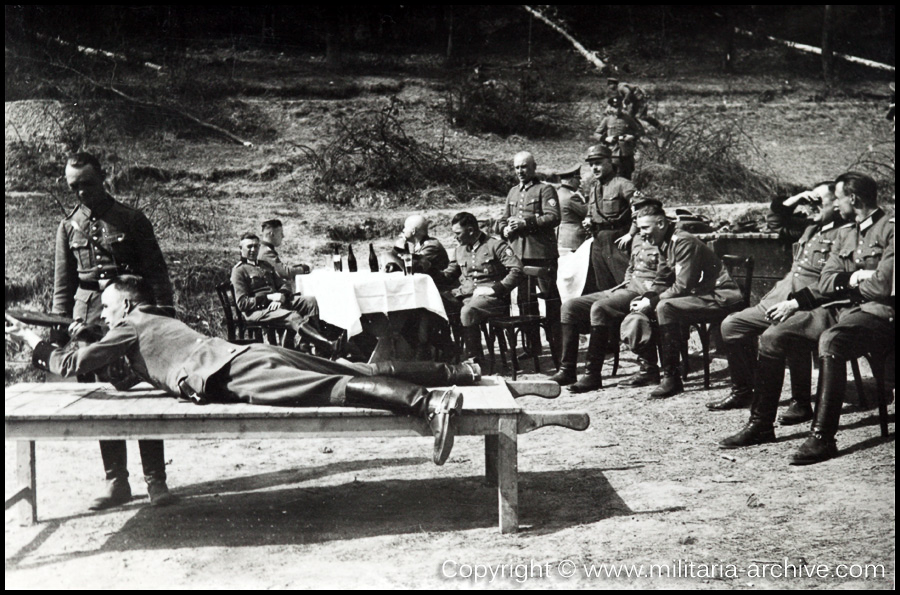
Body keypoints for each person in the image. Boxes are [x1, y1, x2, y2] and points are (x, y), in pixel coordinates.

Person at [6, 276, 482, 476]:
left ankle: (429, 403)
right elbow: (124, 378)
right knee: (350, 368)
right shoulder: (153, 321)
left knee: (330, 388)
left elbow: (72, 367)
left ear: (125, 305)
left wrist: (35, 343)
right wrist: (87, 334)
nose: (105, 316)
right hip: (244, 354)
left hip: (230, 372)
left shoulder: (129, 325)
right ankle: (458, 373)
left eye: (107, 308)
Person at [719, 172, 894, 464]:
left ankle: (822, 438)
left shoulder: (889, 230)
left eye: (838, 198)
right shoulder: (847, 233)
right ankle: (761, 425)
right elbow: (825, 283)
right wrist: (856, 276)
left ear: (852, 198)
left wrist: (849, 280)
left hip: (877, 312)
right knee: (772, 337)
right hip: (839, 308)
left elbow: (881, 287)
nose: (837, 205)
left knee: (831, 341)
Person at [52, 151, 175, 510]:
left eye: (87, 184)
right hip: (89, 319)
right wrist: (60, 333)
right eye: (74, 186)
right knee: (101, 399)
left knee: (145, 392)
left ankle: (156, 480)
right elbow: (64, 284)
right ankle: (116, 481)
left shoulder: (131, 219)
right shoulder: (68, 227)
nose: (81, 193)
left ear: (102, 178)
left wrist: (164, 315)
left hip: (131, 315)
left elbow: (156, 271)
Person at [708, 182, 851, 416]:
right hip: (780, 297)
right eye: (809, 201)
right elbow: (775, 221)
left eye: (818, 201)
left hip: (813, 303)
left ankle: (800, 401)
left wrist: (798, 303)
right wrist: (795, 199)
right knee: (732, 325)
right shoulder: (810, 227)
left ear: (837, 204)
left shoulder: (846, 233)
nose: (811, 206)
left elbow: (834, 282)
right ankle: (744, 390)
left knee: (789, 331)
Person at [550, 194, 666, 392]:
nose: (636, 215)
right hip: (627, 287)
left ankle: (592, 375)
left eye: (640, 211)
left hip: (644, 292)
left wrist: (646, 293)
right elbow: (632, 266)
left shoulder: (663, 238)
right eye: (635, 212)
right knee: (570, 307)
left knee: (600, 308)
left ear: (655, 214)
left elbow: (665, 276)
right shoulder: (639, 236)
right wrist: (627, 280)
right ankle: (567, 368)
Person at [626, 203, 744, 398]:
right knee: (659, 305)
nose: (642, 234)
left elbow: (682, 286)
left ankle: (672, 379)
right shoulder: (665, 243)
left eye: (645, 228)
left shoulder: (682, 242)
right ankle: (665, 373)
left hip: (720, 296)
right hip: (701, 296)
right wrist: (647, 297)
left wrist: (652, 303)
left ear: (661, 223)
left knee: (665, 307)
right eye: (639, 229)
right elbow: (662, 279)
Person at [497, 152, 562, 357]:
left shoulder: (545, 189)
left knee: (550, 299)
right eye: (517, 167)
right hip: (518, 254)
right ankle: (532, 346)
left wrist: (527, 223)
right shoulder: (513, 192)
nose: (520, 171)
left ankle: (557, 345)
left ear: (534, 167)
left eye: (524, 167)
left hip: (541, 253)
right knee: (525, 301)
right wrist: (503, 230)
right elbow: (503, 219)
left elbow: (553, 217)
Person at [231, 233, 336, 356]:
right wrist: (269, 298)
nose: (253, 250)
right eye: (249, 247)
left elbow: (284, 285)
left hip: (277, 304)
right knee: (293, 316)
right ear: (240, 248)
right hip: (258, 311)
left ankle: (311, 346)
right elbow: (242, 303)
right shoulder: (238, 271)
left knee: (310, 302)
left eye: (256, 246)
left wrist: (280, 297)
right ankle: (328, 345)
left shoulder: (265, 265)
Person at [439, 212, 523, 364]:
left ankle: (475, 359)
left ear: (471, 230)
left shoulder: (495, 246)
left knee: (467, 311)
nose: (455, 237)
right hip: (465, 296)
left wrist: (496, 289)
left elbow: (517, 270)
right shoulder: (460, 249)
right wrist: (425, 268)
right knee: (434, 305)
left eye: (458, 233)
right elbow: (449, 274)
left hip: (492, 300)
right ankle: (446, 353)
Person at [390, 215, 456, 360]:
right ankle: (415, 348)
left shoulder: (431, 246)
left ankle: (427, 348)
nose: (402, 230)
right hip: (426, 291)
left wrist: (396, 250)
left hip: (442, 293)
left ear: (413, 231)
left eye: (405, 228)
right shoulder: (416, 245)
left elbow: (414, 267)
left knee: (413, 310)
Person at [583, 145, 636, 293]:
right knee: (603, 284)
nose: (594, 168)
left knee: (623, 281)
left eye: (598, 163)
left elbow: (641, 210)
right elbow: (590, 210)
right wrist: (588, 219)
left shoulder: (623, 184)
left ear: (609, 162)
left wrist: (631, 234)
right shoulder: (593, 187)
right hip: (598, 240)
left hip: (617, 239)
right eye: (591, 164)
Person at [594, 98, 645, 180]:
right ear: (610, 108)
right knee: (612, 177)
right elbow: (596, 134)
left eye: (619, 107)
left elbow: (640, 131)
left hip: (626, 153)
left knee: (627, 176)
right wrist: (606, 139)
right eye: (614, 107)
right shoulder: (607, 119)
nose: (617, 109)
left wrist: (632, 137)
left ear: (622, 107)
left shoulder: (628, 119)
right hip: (612, 153)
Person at [555, 164, 589, 254]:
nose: (579, 183)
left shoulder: (557, 193)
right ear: (571, 180)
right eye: (578, 179)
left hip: (560, 237)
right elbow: (587, 212)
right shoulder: (571, 197)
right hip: (574, 240)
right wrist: (584, 196)